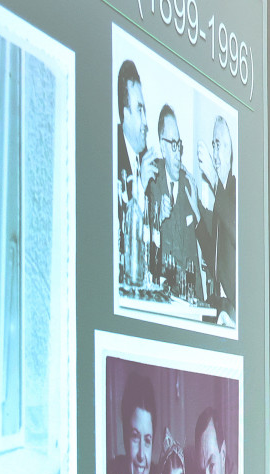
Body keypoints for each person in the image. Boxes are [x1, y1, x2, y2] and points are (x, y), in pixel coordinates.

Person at [145, 105, 200, 296]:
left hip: (186, 296)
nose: (178, 153)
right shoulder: (151, 180)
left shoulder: (187, 186)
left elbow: (193, 253)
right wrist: (157, 217)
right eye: (173, 145)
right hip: (159, 294)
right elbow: (142, 240)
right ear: (162, 145)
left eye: (180, 144)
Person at [196, 115, 236, 325]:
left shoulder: (236, 191)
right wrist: (197, 213)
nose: (215, 154)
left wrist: (212, 179)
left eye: (218, 144)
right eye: (213, 145)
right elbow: (215, 261)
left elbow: (238, 232)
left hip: (236, 311)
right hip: (220, 306)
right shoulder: (221, 198)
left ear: (230, 151)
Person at [116, 59, 157, 223]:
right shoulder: (111, 154)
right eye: (140, 110)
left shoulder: (145, 156)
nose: (146, 122)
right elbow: (118, 223)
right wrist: (140, 186)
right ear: (125, 115)